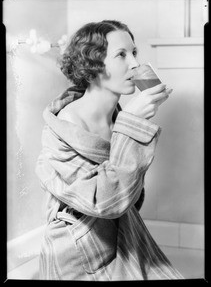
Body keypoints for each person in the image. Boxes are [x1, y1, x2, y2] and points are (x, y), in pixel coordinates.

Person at [35, 20, 184, 280]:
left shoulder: (117, 116)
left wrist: (129, 124)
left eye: (134, 52)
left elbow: (130, 194)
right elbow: (105, 201)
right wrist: (132, 126)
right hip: (77, 249)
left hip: (120, 233)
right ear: (92, 64)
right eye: (121, 55)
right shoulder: (64, 128)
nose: (135, 64)